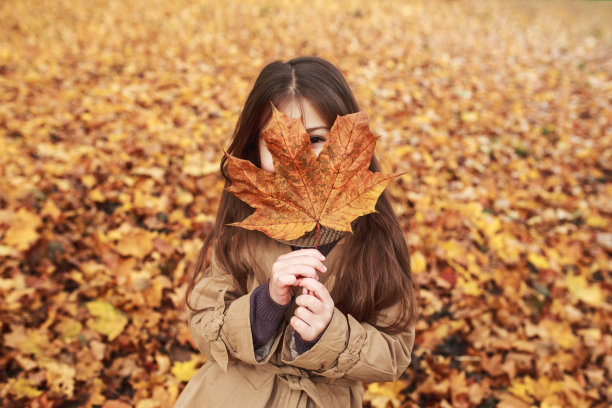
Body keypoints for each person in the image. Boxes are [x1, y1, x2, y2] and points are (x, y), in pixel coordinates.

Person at [174, 56, 419, 408]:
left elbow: (395, 352)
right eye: (276, 145)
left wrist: (329, 332)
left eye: (317, 139)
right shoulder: (243, 224)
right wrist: (265, 305)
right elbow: (203, 320)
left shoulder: (374, 236)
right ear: (252, 150)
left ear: (348, 145)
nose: (299, 159)